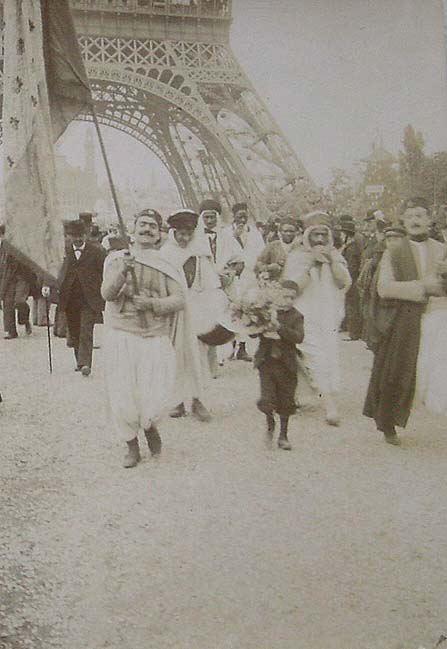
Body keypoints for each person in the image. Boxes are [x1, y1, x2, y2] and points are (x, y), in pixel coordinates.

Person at [101, 208, 186, 468]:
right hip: (123, 333)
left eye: (152, 225)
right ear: (133, 228)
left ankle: (149, 426)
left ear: (159, 232)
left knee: (155, 392)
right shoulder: (117, 259)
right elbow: (106, 294)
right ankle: (130, 443)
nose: (147, 229)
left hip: (154, 335)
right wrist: (122, 273)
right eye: (143, 224)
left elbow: (179, 299)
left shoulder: (167, 263)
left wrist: (151, 303)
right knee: (123, 393)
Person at [363, 197, 447, 445]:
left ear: (430, 221)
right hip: (405, 318)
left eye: (421, 215)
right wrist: (423, 287)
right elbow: (384, 288)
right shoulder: (395, 251)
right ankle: (388, 423)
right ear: (403, 221)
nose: (415, 220)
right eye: (410, 216)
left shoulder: (441, 249)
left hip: (439, 315)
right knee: (396, 371)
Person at [284, 212, 351, 426]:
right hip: (304, 315)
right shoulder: (297, 256)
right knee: (317, 357)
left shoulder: (336, 256)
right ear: (307, 236)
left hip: (328, 315)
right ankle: (329, 405)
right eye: (315, 235)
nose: (320, 240)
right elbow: (293, 289)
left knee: (327, 356)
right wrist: (311, 263)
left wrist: (331, 261)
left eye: (324, 235)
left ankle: (308, 394)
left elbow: (343, 283)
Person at [160, 209, 215, 422]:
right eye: (180, 233)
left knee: (198, 354)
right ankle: (178, 400)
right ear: (173, 232)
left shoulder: (200, 252)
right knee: (175, 354)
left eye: (188, 233)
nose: (184, 238)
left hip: (197, 309)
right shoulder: (166, 253)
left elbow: (209, 281)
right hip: (175, 311)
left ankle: (197, 399)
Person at [253, 280, 304, 450]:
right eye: (285, 296)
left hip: (286, 364)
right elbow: (254, 333)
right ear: (276, 296)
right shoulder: (266, 311)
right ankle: (270, 423)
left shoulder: (296, 316)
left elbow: (298, 337)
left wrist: (279, 327)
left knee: (286, 400)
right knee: (267, 398)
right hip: (266, 362)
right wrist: (254, 322)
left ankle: (283, 434)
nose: (288, 300)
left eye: (292, 297)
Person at [57, 219, 106, 376]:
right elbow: (55, 269)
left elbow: (104, 272)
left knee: (86, 330)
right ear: (69, 236)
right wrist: (47, 285)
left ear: (86, 235)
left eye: (81, 235)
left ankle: (85, 363)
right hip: (69, 297)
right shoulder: (63, 251)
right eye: (74, 236)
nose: (78, 239)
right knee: (75, 330)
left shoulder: (97, 251)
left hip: (89, 297)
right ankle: (79, 359)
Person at [0, 223, 35, 339]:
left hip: (22, 277)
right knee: (7, 303)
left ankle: (25, 321)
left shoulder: (22, 244)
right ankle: (11, 331)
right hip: (7, 278)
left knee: (20, 301)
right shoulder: (2, 247)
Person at [339, 215, 363, 341]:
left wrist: (345, 278)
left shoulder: (352, 248)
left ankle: (353, 333)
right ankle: (351, 330)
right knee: (350, 305)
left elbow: (352, 266)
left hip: (351, 280)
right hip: (350, 279)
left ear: (347, 234)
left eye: (343, 233)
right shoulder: (349, 246)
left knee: (352, 306)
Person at [255, 216, 301, 281]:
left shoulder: (300, 247)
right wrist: (268, 268)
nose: (288, 234)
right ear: (280, 232)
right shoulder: (273, 246)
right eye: (285, 231)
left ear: (296, 232)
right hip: (275, 284)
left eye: (291, 231)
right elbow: (259, 264)